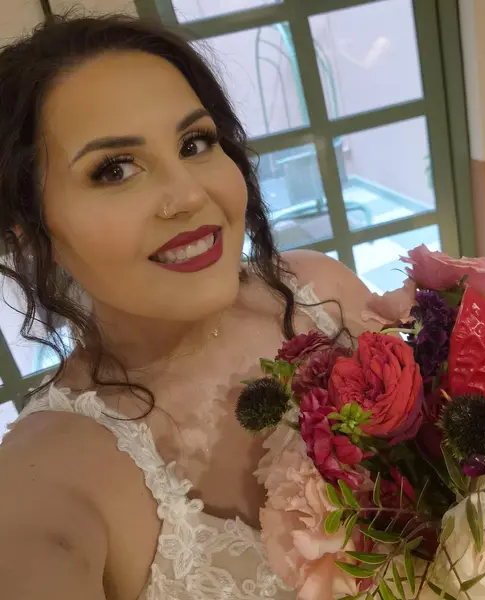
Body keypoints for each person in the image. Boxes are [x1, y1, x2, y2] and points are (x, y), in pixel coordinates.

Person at [0, 14, 378, 600]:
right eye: (114, 170)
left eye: (194, 143)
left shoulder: (321, 290)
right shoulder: (49, 471)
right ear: (29, 231)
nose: (189, 195)